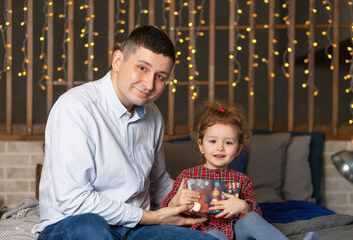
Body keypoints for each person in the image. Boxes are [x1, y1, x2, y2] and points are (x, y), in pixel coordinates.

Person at [37, 26, 217, 240]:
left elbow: (157, 181)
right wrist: (152, 217)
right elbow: (73, 200)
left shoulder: (154, 116)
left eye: (160, 76)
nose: (149, 84)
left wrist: (179, 199)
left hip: (136, 229)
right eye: (142, 68)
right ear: (118, 61)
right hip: (76, 223)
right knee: (91, 229)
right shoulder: (76, 107)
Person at [160, 100, 318, 240]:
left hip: (236, 232)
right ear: (201, 145)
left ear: (238, 149)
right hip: (202, 232)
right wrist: (176, 201)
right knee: (215, 235)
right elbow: (164, 211)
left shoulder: (241, 180)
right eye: (213, 141)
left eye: (228, 143)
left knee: (251, 219)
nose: (220, 148)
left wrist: (243, 206)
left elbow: (255, 212)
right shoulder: (188, 176)